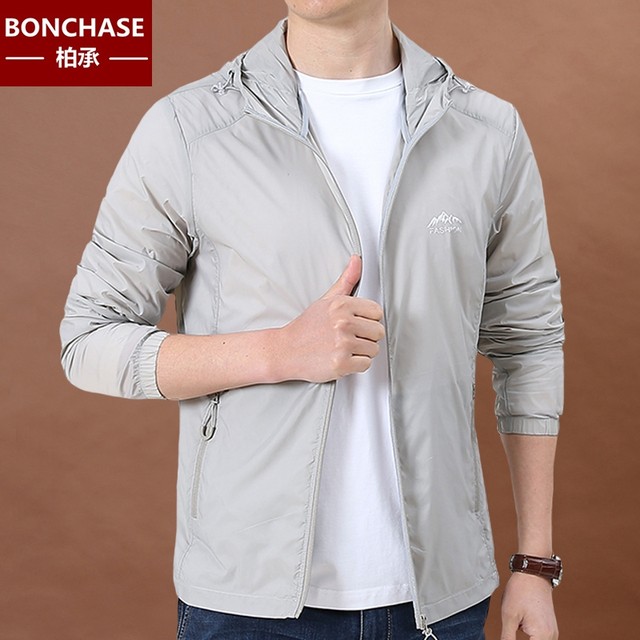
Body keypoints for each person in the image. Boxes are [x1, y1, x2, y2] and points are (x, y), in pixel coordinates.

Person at [60, 1, 564, 639]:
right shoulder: (191, 129)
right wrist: (277, 351)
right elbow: (88, 340)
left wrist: (535, 562)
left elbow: (530, 343)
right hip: (248, 604)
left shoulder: (485, 132)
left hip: (440, 600)